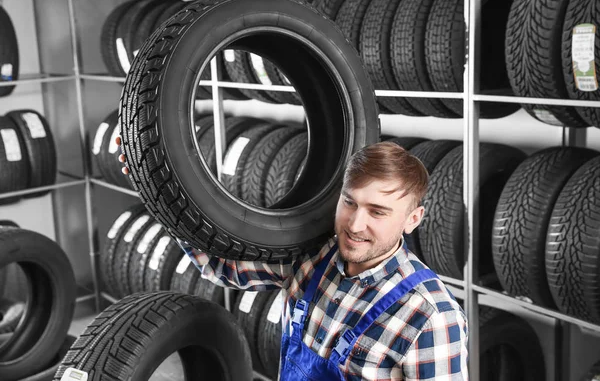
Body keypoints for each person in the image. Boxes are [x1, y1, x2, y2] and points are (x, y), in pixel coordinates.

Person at [117, 136, 469, 380]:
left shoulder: (430, 316)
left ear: (413, 219)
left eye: (377, 212)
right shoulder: (315, 258)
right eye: (350, 202)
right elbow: (224, 265)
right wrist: (154, 185)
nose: (355, 224)